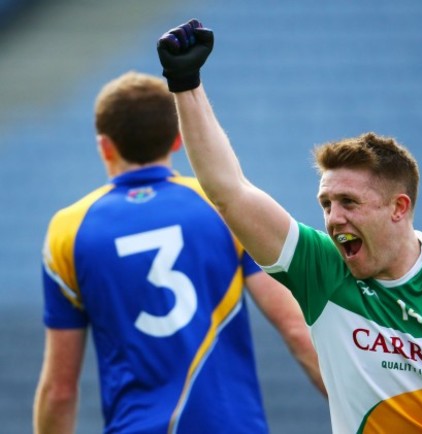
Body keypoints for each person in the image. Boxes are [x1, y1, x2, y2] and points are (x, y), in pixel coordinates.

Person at [155, 19, 422, 433]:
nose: (333, 217)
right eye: (325, 203)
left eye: (349, 203)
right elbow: (229, 192)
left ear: (399, 207)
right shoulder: (320, 269)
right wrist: (185, 82)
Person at [33, 71, 325, 434]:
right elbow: (296, 329)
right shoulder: (221, 206)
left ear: (105, 146)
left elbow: (59, 391)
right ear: (176, 140)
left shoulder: (69, 230)